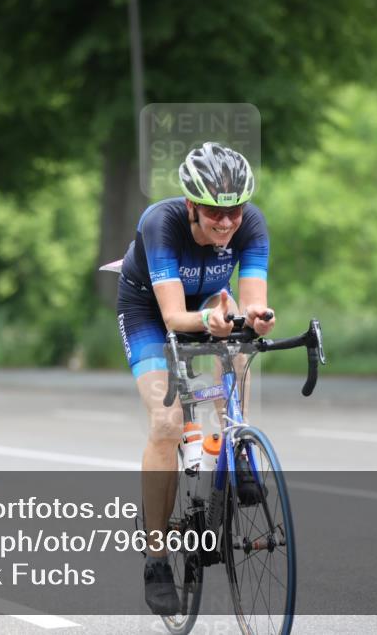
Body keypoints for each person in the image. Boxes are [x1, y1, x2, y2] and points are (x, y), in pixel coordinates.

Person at [116, 142, 275, 615]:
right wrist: (208, 323)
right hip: (149, 309)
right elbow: (172, 316)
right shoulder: (159, 222)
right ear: (191, 205)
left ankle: (237, 448)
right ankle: (156, 557)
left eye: (234, 211)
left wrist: (258, 319)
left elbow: (251, 303)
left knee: (239, 348)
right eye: (212, 212)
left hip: (208, 299)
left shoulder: (252, 224)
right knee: (166, 422)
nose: (225, 222)